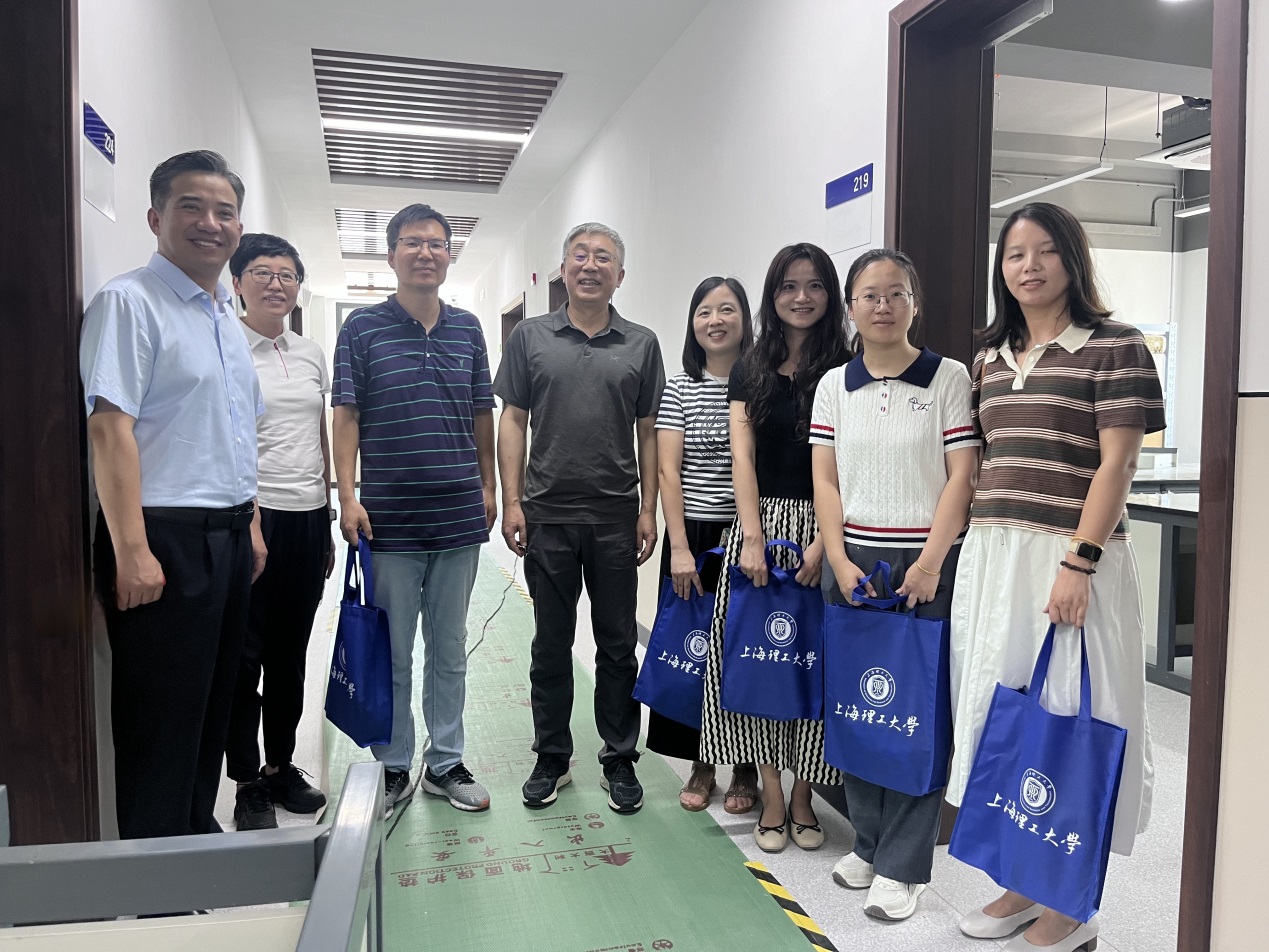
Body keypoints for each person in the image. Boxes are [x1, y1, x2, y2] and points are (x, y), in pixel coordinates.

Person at [950, 203, 1163, 952]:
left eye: (1044, 251)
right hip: (994, 559)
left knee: (1071, 720)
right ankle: (1021, 882)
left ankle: (1068, 903)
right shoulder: (988, 358)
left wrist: (1080, 561)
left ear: (1072, 259)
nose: (1028, 266)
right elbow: (984, 463)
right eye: (1014, 254)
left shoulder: (1115, 347)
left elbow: (1118, 464)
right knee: (1006, 718)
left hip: (1071, 559)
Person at [80, 149, 265, 839]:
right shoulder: (129, 302)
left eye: (224, 211)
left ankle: (193, 838)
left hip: (227, 534)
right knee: (161, 720)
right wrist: (131, 550)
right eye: (192, 207)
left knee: (211, 706)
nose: (210, 223)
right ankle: (156, 873)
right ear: (156, 218)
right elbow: (109, 429)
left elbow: (233, 430)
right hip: (163, 538)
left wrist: (249, 523)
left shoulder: (222, 313)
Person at [810, 249, 980, 920]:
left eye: (895, 294)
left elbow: (962, 476)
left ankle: (904, 866)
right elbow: (825, 479)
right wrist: (836, 557)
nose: (882, 306)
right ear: (850, 307)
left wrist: (931, 563)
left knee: (915, 713)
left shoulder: (948, 377)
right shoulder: (833, 385)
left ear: (914, 303)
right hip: (852, 560)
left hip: (923, 562)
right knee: (858, 707)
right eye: (869, 295)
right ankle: (869, 841)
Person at [332, 204, 496, 819]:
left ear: (449, 255)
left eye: (436, 243)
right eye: (412, 242)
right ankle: (394, 765)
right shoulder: (362, 328)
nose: (425, 253)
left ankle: (445, 762)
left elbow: (482, 414)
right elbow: (346, 415)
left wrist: (489, 486)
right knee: (394, 652)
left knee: (449, 648)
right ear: (392, 254)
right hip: (389, 520)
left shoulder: (468, 329)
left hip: (458, 516)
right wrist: (347, 495)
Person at [495, 223, 665, 815]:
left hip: (616, 517)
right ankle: (552, 756)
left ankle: (619, 759)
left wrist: (648, 508)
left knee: (617, 645)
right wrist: (512, 500)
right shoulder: (530, 338)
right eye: (580, 256)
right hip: (548, 516)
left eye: (603, 258)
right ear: (564, 268)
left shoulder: (641, 343)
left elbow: (649, 431)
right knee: (551, 643)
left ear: (621, 274)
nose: (590, 266)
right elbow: (513, 419)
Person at [698, 242, 851, 852]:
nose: (801, 297)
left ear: (830, 294)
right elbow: (743, 457)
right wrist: (753, 538)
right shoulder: (750, 368)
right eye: (789, 286)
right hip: (759, 525)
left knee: (818, 665)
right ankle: (771, 792)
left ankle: (805, 797)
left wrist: (825, 543)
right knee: (757, 658)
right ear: (772, 294)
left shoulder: (847, 366)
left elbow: (851, 462)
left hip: (826, 526)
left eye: (814, 286)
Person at [224, 233, 334, 831]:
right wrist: (252, 522)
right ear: (237, 282)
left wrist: (327, 514)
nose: (275, 283)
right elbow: (229, 440)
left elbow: (317, 432)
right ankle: (247, 781)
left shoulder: (311, 351)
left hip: (308, 516)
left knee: (290, 654)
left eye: (287, 274)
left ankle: (280, 766)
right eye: (262, 272)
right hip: (253, 516)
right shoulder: (226, 345)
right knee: (246, 658)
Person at [650, 276, 759, 813]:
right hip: (693, 531)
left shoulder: (761, 382)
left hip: (751, 532)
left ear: (745, 318)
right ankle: (701, 762)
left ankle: (745, 765)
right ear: (693, 324)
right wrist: (679, 548)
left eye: (727, 309)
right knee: (692, 649)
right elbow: (668, 471)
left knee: (743, 650)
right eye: (704, 311)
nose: (715, 321)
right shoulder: (679, 387)